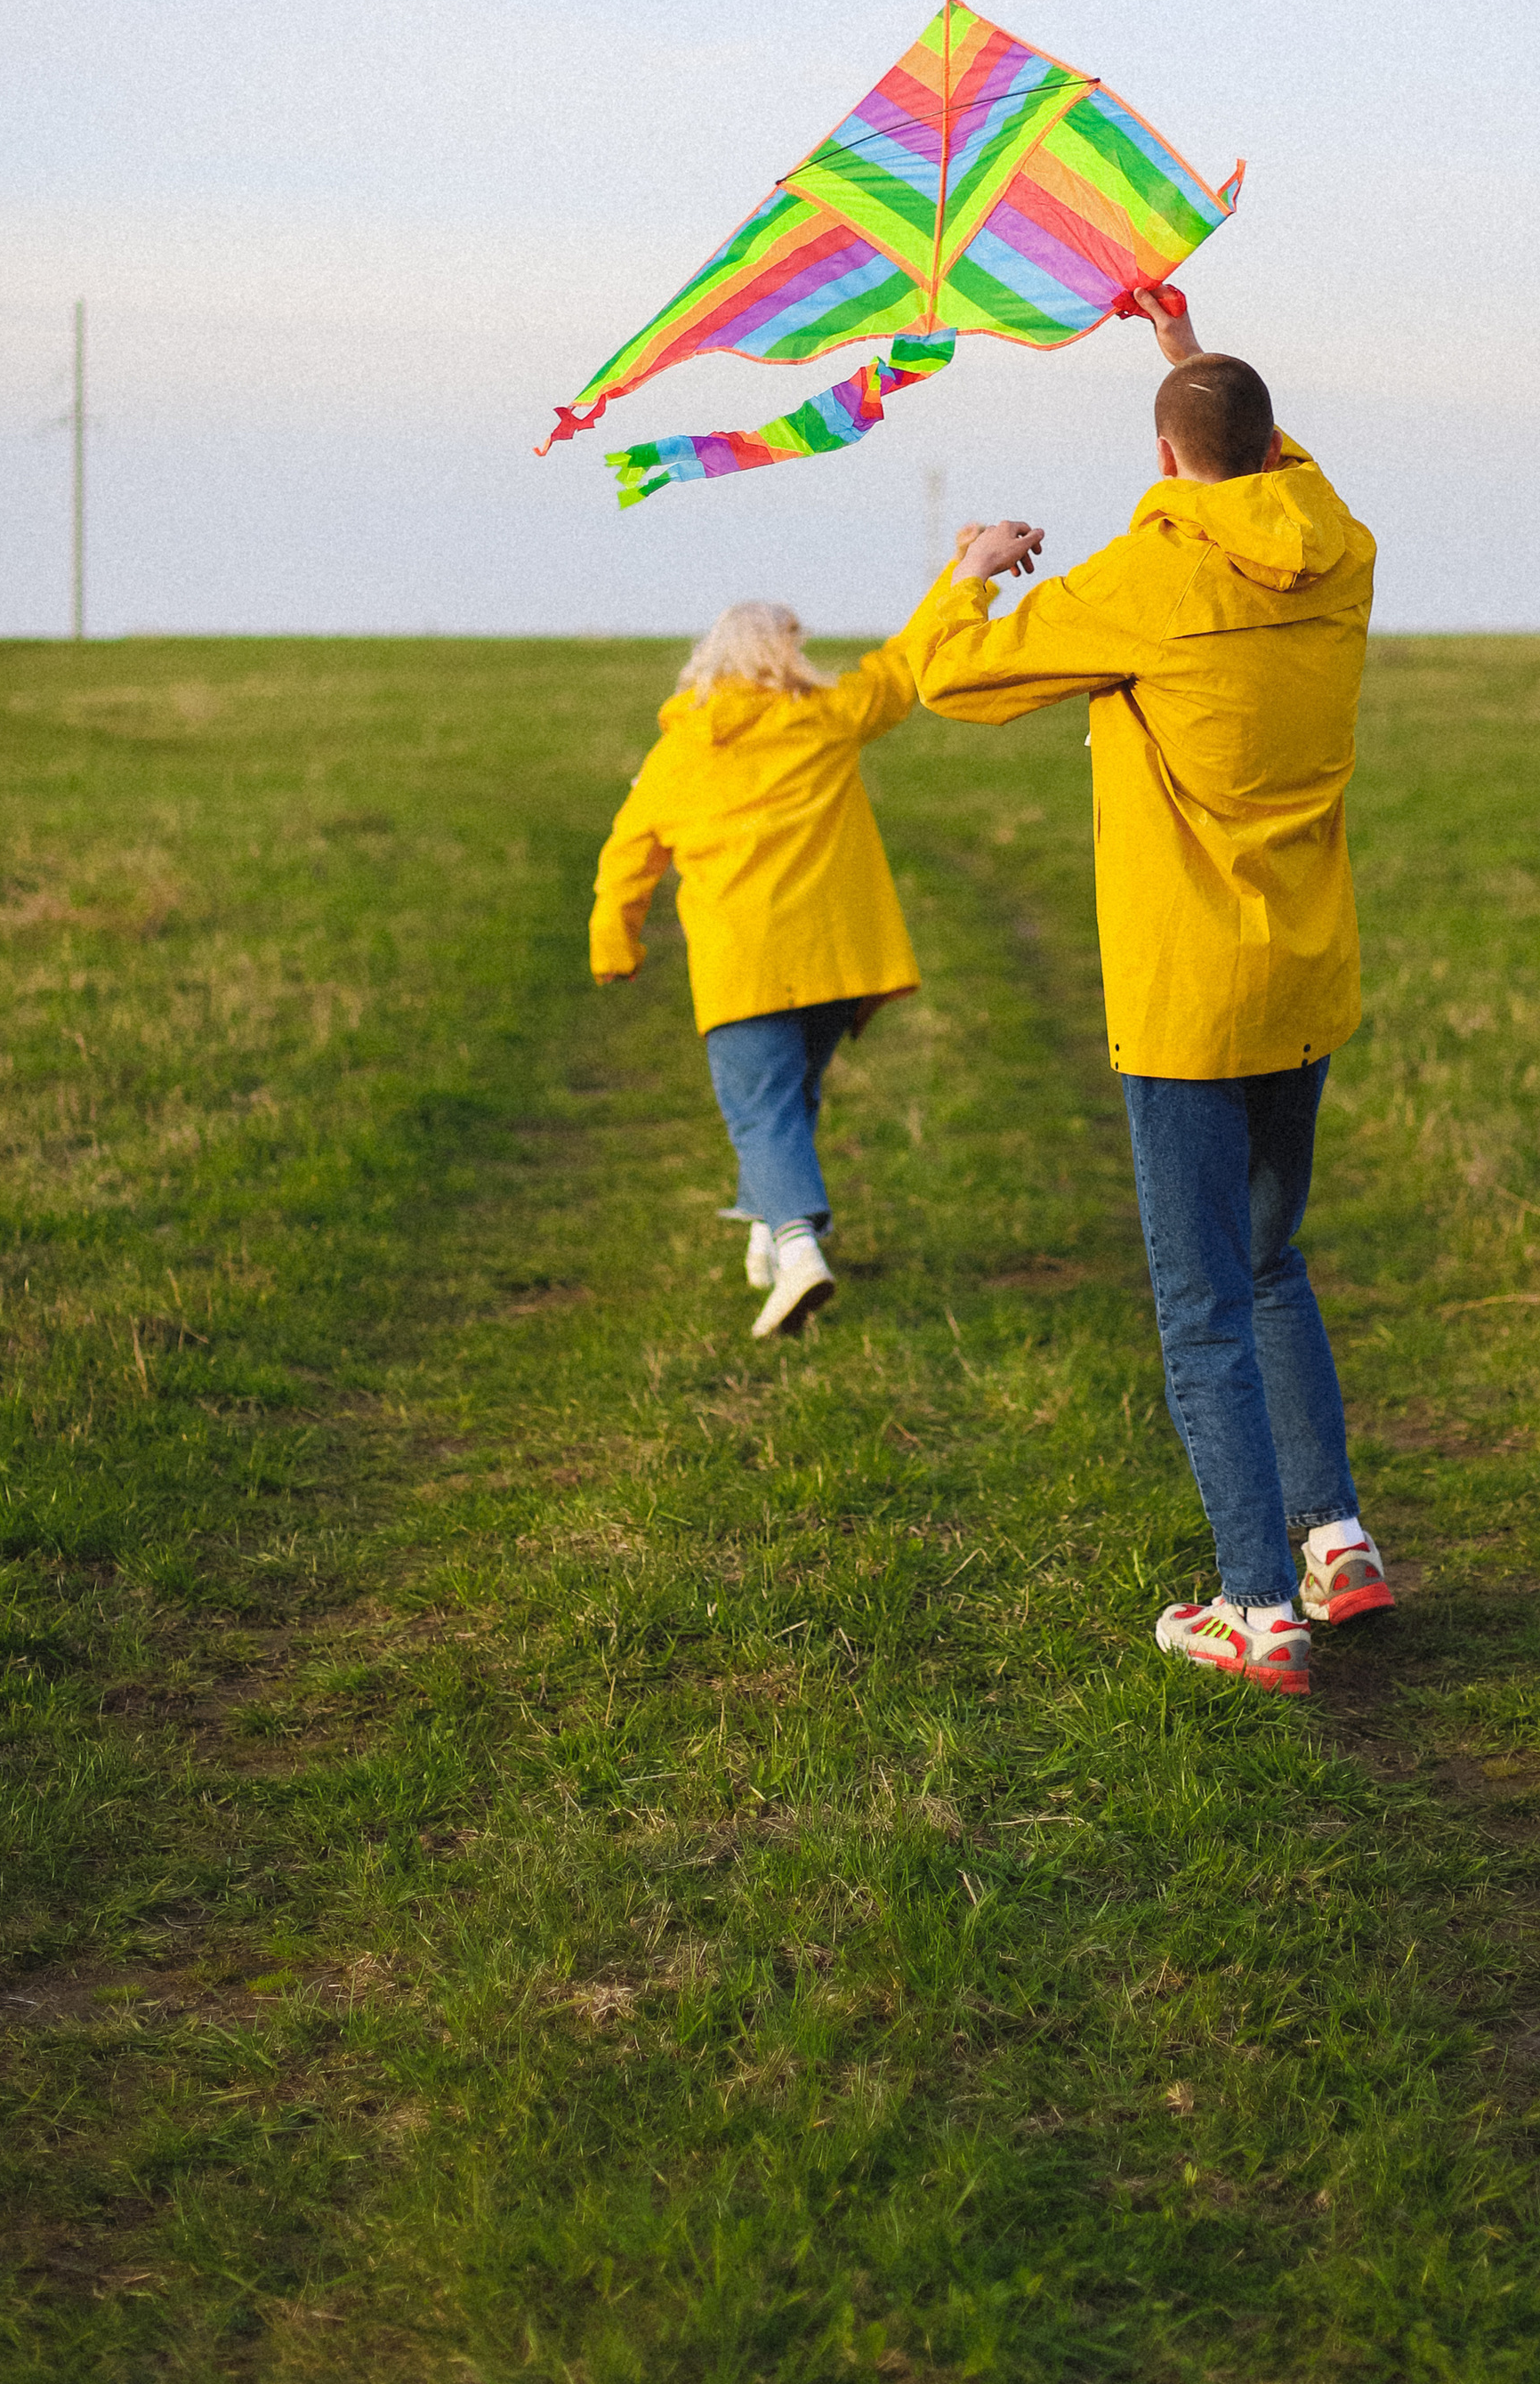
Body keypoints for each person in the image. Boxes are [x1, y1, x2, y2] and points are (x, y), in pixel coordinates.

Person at [911, 303, 1390, 1695]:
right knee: (1270, 1261)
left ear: (1165, 459)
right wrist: (1182, 337)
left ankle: (1256, 1607)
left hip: (1189, 997)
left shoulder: (1141, 583)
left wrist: (972, 570)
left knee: (1200, 1307)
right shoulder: (1342, 552)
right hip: (1303, 978)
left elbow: (950, 678)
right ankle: (1339, 1541)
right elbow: (1268, 481)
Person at [590, 596, 931, 1339]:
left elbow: (627, 856)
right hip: (835, 962)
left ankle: (797, 1248)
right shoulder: (825, 718)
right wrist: (966, 575)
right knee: (791, 1099)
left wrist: (614, 943)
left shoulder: (677, 754)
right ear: (787, 655)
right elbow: (903, 667)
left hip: (744, 969)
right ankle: (764, 1236)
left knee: (760, 1112)